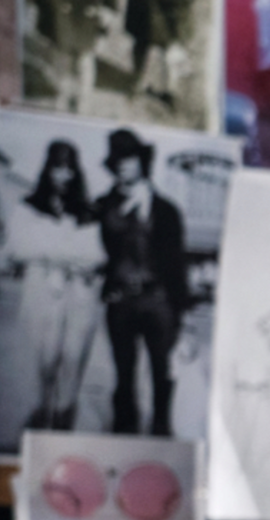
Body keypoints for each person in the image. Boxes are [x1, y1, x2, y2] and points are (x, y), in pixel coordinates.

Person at [92, 128, 187, 437]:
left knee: (162, 370)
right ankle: (125, 431)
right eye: (117, 159)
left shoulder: (167, 210)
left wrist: (180, 312)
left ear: (142, 161)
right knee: (124, 372)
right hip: (120, 301)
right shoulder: (103, 206)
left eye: (129, 158)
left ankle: (161, 428)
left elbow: (177, 263)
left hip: (158, 301)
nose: (123, 165)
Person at [15, 140, 105, 432]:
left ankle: (65, 418)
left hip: (79, 294)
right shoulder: (29, 207)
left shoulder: (87, 211)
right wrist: (65, 253)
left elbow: (96, 255)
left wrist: (54, 252)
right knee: (43, 360)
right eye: (57, 168)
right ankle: (40, 415)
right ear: (47, 170)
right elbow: (19, 248)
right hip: (41, 290)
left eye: (69, 169)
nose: (63, 176)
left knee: (73, 358)